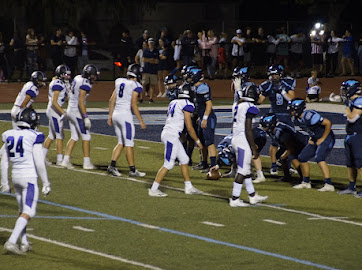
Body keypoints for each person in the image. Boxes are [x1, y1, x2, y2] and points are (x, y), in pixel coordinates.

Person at [2, 108, 51, 255]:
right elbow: (39, 161)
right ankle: (11, 241)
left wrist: (4, 182)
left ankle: (23, 243)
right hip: (28, 178)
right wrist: (46, 182)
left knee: (22, 211)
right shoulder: (34, 135)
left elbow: (4, 160)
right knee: (30, 211)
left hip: (15, 177)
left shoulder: (9, 135)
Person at [148, 83, 203, 197]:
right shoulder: (187, 104)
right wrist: (197, 141)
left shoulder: (173, 102)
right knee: (168, 164)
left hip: (169, 133)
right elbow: (189, 127)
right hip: (171, 135)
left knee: (184, 159)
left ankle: (188, 187)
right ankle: (153, 189)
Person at [228, 84, 268, 207]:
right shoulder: (250, 107)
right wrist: (253, 148)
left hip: (236, 138)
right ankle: (235, 199)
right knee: (242, 171)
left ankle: (252, 196)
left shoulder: (238, 105)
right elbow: (248, 129)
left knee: (246, 170)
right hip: (242, 140)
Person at [107, 64, 147, 177]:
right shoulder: (136, 85)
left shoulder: (119, 81)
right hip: (125, 117)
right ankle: (133, 170)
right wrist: (141, 121)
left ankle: (112, 166)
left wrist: (110, 116)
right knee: (129, 143)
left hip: (116, 115)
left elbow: (111, 100)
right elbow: (133, 104)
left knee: (121, 142)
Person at [288, 98, 335, 191]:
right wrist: (311, 137)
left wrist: (322, 138)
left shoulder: (309, 115)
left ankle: (329, 184)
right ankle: (306, 182)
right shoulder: (297, 119)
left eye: (293, 109)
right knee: (302, 157)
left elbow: (328, 123)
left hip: (327, 137)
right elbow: (311, 129)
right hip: (315, 138)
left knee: (319, 157)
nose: (291, 112)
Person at [258, 64, 295, 175]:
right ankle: (273, 166)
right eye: (272, 75)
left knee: (289, 143)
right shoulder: (267, 85)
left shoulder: (287, 83)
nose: (274, 77)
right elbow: (259, 101)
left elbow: (292, 99)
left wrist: (282, 91)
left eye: (276, 74)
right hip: (274, 116)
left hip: (287, 115)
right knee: (275, 142)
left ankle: (286, 164)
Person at [61, 64, 100, 170]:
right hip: (76, 112)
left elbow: (70, 95)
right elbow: (81, 102)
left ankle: (65, 160)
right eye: (93, 75)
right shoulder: (85, 84)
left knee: (74, 136)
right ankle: (86, 163)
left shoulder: (78, 78)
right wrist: (85, 117)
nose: (95, 77)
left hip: (70, 109)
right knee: (86, 137)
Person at [260, 113, 306, 183]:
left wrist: (284, 156)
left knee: (291, 157)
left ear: (271, 124)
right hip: (291, 144)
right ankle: (287, 176)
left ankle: (304, 178)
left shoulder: (281, 132)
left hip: (300, 143)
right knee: (281, 157)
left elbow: (291, 147)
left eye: (264, 126)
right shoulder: (272, 130)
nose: (264, 128)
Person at [189, 68, 218, 175]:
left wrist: (205, 118)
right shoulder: (196, 87)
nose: (189, 78)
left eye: (191, 76)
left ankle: (213, 165)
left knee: (209, 142)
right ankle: (204, 162)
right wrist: (200, 117)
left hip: (208, 118)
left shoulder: (202, 87)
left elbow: (209, 104)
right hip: (202, 117)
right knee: (202, 142)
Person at [43, 65, 71, 166]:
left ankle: (41, 157)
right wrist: (63, 113)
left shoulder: (63, 83)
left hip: (55, 111)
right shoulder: (58, 83)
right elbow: (54, 102)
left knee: (52, 135)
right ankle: (60, 160)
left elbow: (65, 98)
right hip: (54, 111)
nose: (68, 76)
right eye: (66, 75)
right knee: (59, 135)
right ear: (61, 75)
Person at [338, 79, 362, 197]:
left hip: (359, 135)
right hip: (350, 135)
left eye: (346, 89)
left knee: (360, 162)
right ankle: (351, 187)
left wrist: (347, 107)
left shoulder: (360, 101)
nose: (343, 91)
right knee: (350, 163)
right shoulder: (352, 102)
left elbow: (352, 118)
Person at [141, 38, 159, 103]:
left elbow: (157, 61)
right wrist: (151, 60)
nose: (151, 44)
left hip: (153, 70)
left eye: (152, 42)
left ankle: (151, 98)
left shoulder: (156, 51)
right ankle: (141, 98)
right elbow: (144, 59)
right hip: (146, 70)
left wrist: (149, 60)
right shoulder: (145, 51)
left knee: (152, 85)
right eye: (150, 42)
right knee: (144, 84)